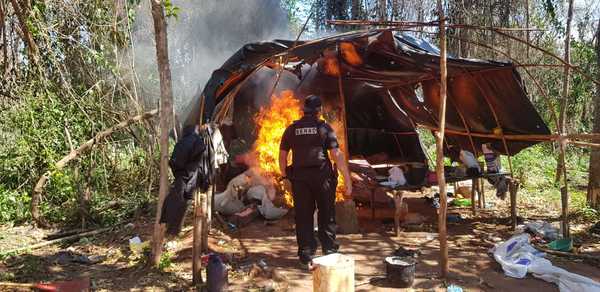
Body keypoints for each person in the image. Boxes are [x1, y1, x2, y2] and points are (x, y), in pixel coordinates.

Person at [278, 94, 352, 267]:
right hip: (322, 178)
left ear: (304, 111)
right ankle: (329, 251)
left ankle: (306, 254)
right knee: (327, 213)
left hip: (300, 180)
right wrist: (347, 178)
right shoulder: (324, 128)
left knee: (303, 216)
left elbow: (282, 156)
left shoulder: (292, 129)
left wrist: (284, 175)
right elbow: (336, 155)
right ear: (319, 111)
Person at [160, 125, 206, 236]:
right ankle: (175, 229)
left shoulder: (183, 142)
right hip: (193, 177)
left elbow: (176, 162)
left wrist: (179, 172)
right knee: (185, 201)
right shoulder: (199, 141)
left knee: (176, 201)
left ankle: (172, 229)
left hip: (184, 176)